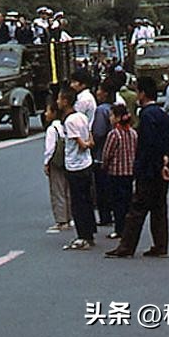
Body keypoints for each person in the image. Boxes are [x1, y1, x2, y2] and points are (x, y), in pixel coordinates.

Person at [105, 77, 169, 258]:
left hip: (149, 171)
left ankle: (126, 247)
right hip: (163, 169)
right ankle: (161, 246)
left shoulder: (146, 116)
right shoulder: (162, 114)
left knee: (137, 210)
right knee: (159, 209)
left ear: (142, 94)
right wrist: (166, 157)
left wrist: (140, 168)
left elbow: (148, 145)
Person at [58, 86, 97, 250]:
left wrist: (85, 144)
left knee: (78, 203)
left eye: (59, 99)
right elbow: (90, 139)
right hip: (87, 163)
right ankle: (90, 232)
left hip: (75, 166)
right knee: (87, 200)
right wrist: (88, 144)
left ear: (66, 101)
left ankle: (83, 236)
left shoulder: (70, 121)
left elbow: (81, 144)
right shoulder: (82, 117)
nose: (57, 102)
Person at [102, 103, 138, 240]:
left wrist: (104, 166)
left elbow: (107, 154)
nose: (110, 118)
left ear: (117, 118)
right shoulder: (133, 133)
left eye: (112, 115)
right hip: (129, 172)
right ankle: (128, 228)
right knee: (127, 202)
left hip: (116, 173)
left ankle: (119, 229)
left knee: (117, 203)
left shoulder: (114, 134)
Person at [42, 97, 72, 234]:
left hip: (56, 162)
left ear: (54, 113)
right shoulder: (63, 125)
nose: (45, 114)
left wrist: (46, 163)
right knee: (67, 190)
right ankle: (69, 217)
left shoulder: (52, 129)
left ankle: (61, 220)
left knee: (57, 190)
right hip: (66, 161)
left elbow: (50, 149)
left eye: (48, 111)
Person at [91, 80, 115, 228]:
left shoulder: (101, 110)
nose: (97, 93)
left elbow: (99, 133)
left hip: (101, 154)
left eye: (99, 90)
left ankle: (105, 216)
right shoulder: (114, 107)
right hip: (114, 155)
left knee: (102, 188)